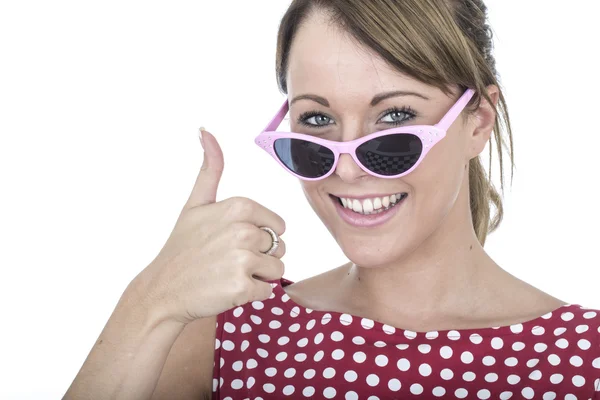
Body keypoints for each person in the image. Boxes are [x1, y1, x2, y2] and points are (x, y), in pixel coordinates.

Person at [64, 0, 600, 399]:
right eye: (317, 121)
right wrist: (150, 301)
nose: (345, 166)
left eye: (394, 119)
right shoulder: (228, 332)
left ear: (477, 121)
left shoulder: (585, 359)